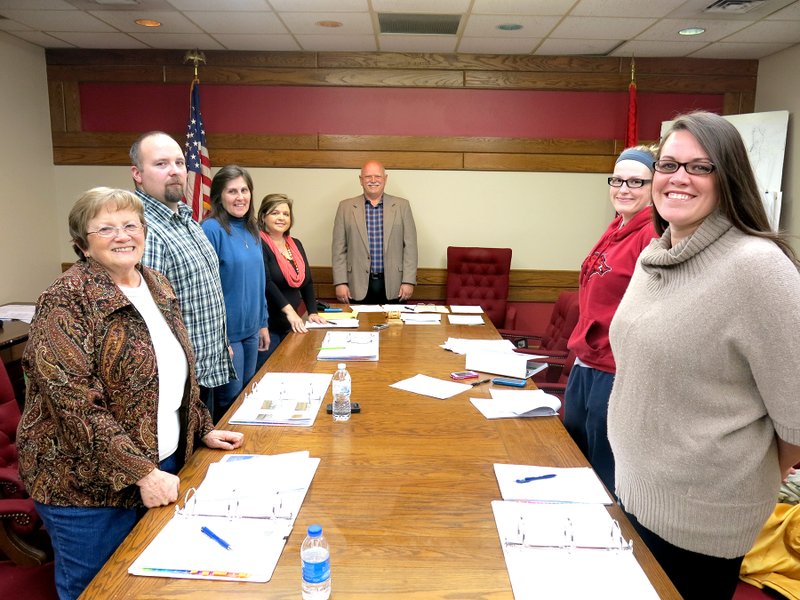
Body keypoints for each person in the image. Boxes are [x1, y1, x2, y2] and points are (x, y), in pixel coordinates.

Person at [607, 111, 800, 600]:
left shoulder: (757, 268)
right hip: (632, 490)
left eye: (699, 167)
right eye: (668, 164)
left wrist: (731, 483)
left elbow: (796, 416)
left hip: (700, 519)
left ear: (728, 177)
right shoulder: (656, 257)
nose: (678, 178)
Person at [17, 187, 244, 600]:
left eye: (130, 225)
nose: (123, 235)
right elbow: (74, 405)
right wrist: (141, 472)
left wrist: (202, 427)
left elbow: (175, 374)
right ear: (82, 243)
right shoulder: (65, 299)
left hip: (162, 464)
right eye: (106, 228)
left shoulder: (154, 283)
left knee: (151, 585)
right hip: (87, 489)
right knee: (99, 590)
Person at [562, 145, 658, 492]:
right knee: (575, 454)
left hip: (616, 367)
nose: (623, 189)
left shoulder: (653, 234)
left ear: (655, 186)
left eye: (636, 182)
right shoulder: (619, 223)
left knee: (603, 470)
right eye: (617, 180)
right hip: (587, 360)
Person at [130, 131, 234, 414]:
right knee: (192, 460)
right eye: (161, 164)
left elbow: (203, 290)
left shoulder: (187, 220)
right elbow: (147, 317)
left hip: (208, 366)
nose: (174, 171)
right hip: (180, 383)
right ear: (137, 174)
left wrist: (220, 343)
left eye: (179, 162)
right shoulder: (144, 231)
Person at [202, 165, 269, 421]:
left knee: (248, 398)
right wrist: (219, 337)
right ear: (219, 196)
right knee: (230, 404)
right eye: (232, 191)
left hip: (252, 330)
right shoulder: (211, 229)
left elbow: (259, 279)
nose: (240, 197)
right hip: (227, 336)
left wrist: (262, 323)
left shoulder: (253, 229)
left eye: (244, 190)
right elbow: (207, 288)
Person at [332, 160, 418, 304]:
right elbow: (338, 249)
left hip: (395, 285)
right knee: (360, 326)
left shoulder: (402, 206)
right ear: (361, 180)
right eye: (368, 177)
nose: (373, 181)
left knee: (395, 327)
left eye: (378, 176)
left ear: (385, 179)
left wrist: (408, 281)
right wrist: (340, 282)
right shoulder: (345, 207)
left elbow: (410, 247)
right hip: (356, 286)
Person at [257, 193, 326, 364]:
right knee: (266, 374)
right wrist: (291, 313)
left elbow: (307, 281)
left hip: (292, 325)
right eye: (275, 213)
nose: (281, 218)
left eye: (286, 214)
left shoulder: (296, 244)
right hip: (269, 325)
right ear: (263, 217)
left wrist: (312, 312)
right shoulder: (258, 244)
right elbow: (267, 283)